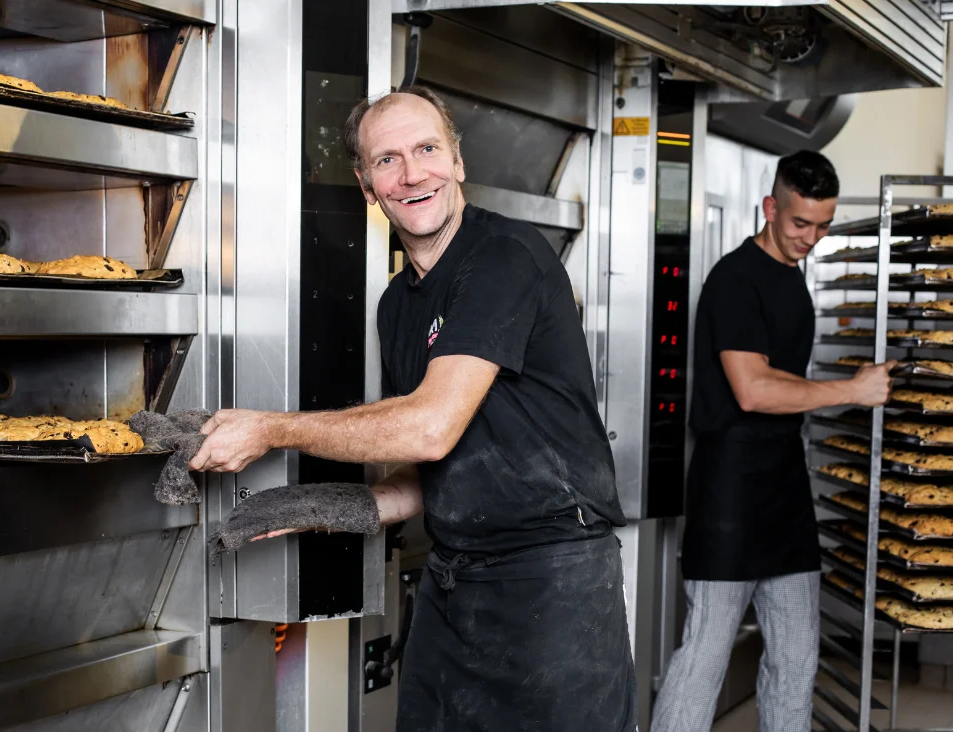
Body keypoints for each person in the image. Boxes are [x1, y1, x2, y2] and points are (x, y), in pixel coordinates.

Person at [189, 86, 637, 732]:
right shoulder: (398, 306)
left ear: (457, 162)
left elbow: (430, 426)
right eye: (387, 160)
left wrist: (270, 429)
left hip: (556, 580)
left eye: (427, 149)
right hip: (456, 582)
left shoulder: (505, 258)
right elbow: (438, 469)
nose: (411, 173)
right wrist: (340, 507)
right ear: (367, 185)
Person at [650, 150, 895, 732]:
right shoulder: (735, 280)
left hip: (784, 493)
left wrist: (840, 389)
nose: (811, 237)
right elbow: (753, 390)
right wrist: (852, 392)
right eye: (799, 223)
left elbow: (779, 379)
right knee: (705, 658)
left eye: (822, 225)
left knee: (795, 662)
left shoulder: (790, 279)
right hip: (729, 494)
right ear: (770, 208)